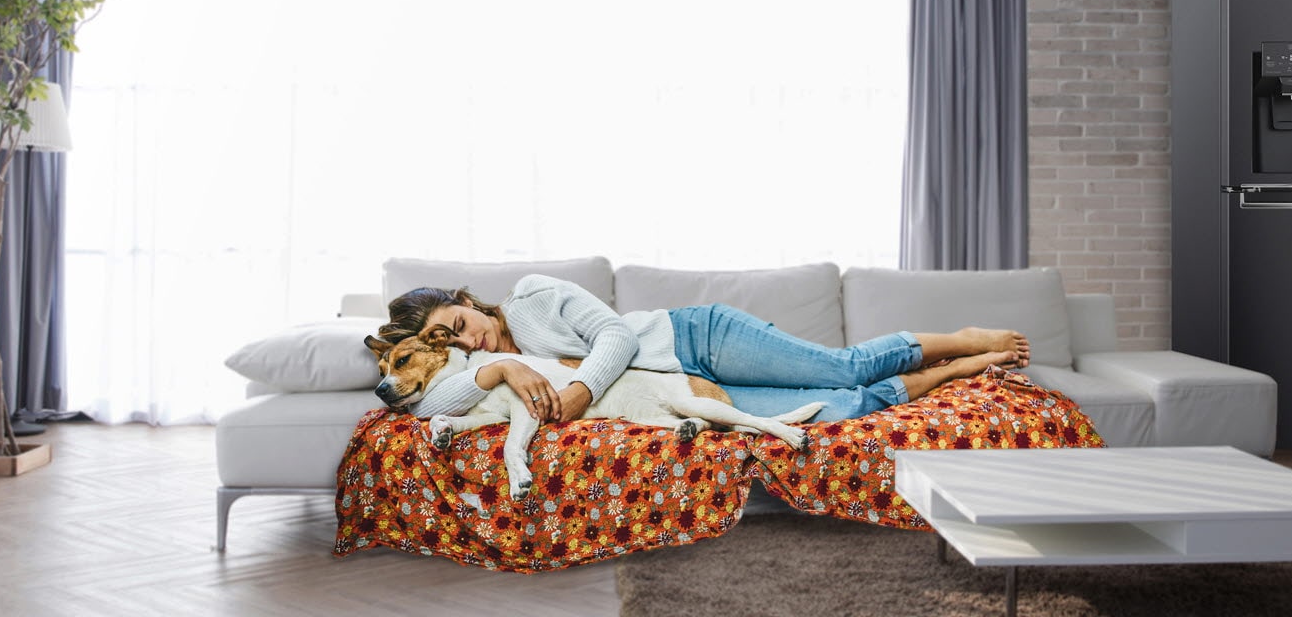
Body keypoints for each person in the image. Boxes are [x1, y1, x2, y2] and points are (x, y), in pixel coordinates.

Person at [379, 274, 1029, 425]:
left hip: (699, 335)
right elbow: (436, 396)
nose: (472, 336)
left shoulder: (532, 296)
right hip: (684, 389)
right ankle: (960, 371)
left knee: (845, 365)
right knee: (841, 407)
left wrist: (580, 391)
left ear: (469, 299)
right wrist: (502, 365)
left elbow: (618, 337)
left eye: (463, 319)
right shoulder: (484, 367)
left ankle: (961, 339)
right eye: (455, 336)